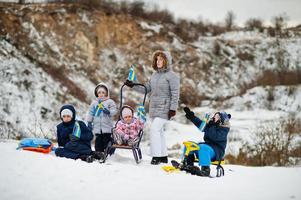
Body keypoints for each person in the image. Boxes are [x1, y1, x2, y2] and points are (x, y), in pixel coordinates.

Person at [125, 50, 180, 165]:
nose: (158, 61)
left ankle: (156, 156)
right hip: (154, 107)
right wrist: (133, 85)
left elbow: (175, 94)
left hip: (165, 108)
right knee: (158, 131)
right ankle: (163, 156)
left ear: (166, 61)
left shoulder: (172, 76)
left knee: (154, 129)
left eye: (161, 59)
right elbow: (146, 89)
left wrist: (173, 109)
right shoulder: (154, 75)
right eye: (157, 59)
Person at [183, 107, 231, 176]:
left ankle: (205, 169)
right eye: (214, 115)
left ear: (221, 120)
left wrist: (212, 125)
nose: (214, 117)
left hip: (216, 151)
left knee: (203, 148)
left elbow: (214, 136)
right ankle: (188, 165)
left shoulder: (224, 129)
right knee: (189, 145)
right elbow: (201, 125)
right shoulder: (212, 125)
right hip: (207, 147)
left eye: (217, 117)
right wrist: (192, 117)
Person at [86, 82, 117, 154]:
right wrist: (89, 122)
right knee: (98, 142)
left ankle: (108, 153)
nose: (101, 94)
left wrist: (109, 112)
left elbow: (114, 110)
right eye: (99, 92)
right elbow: (91, 112)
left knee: (107, 141)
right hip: (97, 127)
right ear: (97, 93)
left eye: (103, 92)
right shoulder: (94, 103)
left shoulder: (110, 102)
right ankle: (99, 153)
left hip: (107, 127)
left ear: (106, 93)